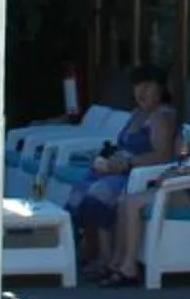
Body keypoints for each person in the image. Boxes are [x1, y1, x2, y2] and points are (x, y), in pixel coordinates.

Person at [91, 82, 190, 286]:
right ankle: (116, 263)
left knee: (132, 203)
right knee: (124, 200)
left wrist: (179, 172)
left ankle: (128, 268)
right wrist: (183, 156)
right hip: (185, 185)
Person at [70, 65, 179, 270]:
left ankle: (106, 257)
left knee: (99, 192)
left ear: (161, 89)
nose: (141, 92)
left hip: (136, 176)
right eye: (138, 86)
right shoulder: (138, 113)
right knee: (79, 189)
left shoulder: (162, 116)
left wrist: (125, 164)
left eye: (147, 86)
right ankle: (90, 248)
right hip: (116, 169)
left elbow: (162, 156)